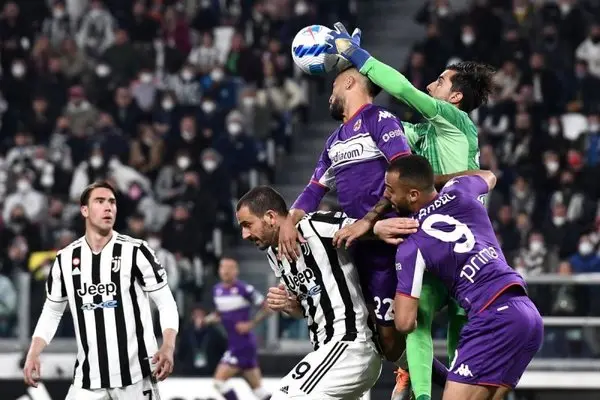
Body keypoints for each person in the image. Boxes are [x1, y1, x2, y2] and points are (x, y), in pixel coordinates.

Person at [326, 22, 495, 400]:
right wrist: (351, 88)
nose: (432, 85)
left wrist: (359, 58)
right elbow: (376, 123)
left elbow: (403, 89)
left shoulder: (456, 122)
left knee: (451, 327)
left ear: (454, 97)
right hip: (433, 236)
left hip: (463, 238)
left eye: (440, 81)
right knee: (417, 320)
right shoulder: (425, 133)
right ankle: (422, 394)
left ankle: (453, 391)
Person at [275, 58, 419, 383]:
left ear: (351, 83)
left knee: (391, 341)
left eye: (333, 86)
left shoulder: (380, 119)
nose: (330, 95)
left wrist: (368, 220)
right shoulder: (334, 140)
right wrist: (289, 220)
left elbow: (405, 172)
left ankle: (426, 376)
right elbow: (313, 190)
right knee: (378, 340)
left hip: (390, 244)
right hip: (356, 247)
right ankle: (408, 374)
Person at [366, 155, 543, 400]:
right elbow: (488, 176)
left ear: (413, 195)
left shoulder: (411, 243)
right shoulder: (460, 190)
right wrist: (439, 181)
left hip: (492, 318)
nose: (386, 196)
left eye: (391, 190)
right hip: (527, 314)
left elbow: (405, 323)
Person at [23, 181, 179, 399]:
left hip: (135, 377)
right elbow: (52, 311)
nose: (108, 207)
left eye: (112, 202)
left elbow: (166, 302)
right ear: (84, 210)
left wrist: (168, 345)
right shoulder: (65, 259)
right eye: (100, 201)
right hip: (88, 379)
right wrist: (33, 352)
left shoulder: (136, 251)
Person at [236, 186, 382, 399]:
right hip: (326, 350)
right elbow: (303, 309)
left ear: (270, 217)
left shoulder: (314, 226)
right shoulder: (273, 255)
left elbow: (365, 228)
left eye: (247, 225)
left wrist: (390, 226)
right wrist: (289, 304)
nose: (244, 234)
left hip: (350, 343)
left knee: (285, 396)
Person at [205, 257, 272, 400]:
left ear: (236, 271)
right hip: (235, 342)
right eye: (223, 267)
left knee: (219, 382)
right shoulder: (217, 290)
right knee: (259, 391)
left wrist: (251, 324)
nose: (225, 271)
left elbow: (267, 307)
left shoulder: (244, 289)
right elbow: (220, 313)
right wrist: (210, 319)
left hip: (242, 344)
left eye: (229, 268)